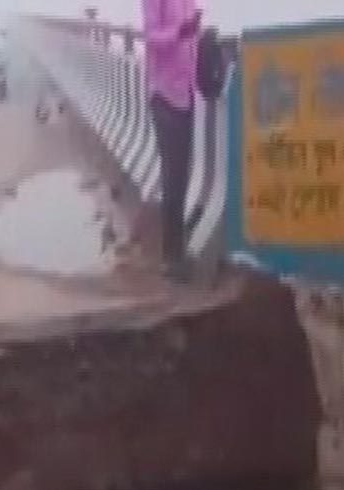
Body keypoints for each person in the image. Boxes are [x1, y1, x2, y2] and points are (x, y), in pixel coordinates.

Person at [143, 0, 201, 282]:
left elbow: (190, 39)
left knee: (183, 172)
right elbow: (151, 37)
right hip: (164, 93)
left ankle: (178, 249)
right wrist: (179, 31)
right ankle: (171, 257)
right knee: (173, 175)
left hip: (186, 90)